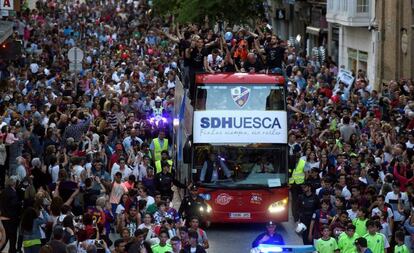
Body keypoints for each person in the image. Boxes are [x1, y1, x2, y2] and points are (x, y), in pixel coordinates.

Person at [0, 176, 20, 253]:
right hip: (11, 220)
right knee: (12, 239)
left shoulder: (3, 191)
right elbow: (14, 206)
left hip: (3, 218)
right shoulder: (13, 193)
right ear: (14, 183)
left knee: (4, 238)